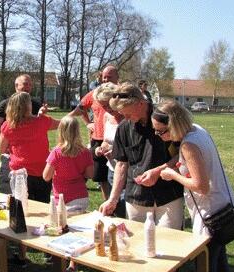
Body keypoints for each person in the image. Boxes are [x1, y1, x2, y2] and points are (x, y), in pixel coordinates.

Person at [153, 100, 234, 272]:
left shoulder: (188, 145)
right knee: (219, 264)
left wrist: (172, 175)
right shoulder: (198, 130)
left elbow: (201, 186)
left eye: (161, 131)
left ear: (174, 125)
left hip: (211, 215)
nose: (159, 136)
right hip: (223, 206)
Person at [99, 82, 184, 231]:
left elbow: (183, 154)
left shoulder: (165, 118)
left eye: (128, 113)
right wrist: (112, 199)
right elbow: (121, 164)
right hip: (136, 197)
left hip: (169, 196)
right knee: (137, 241)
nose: (125, 117)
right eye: (122, 113)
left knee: (169, 241)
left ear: (140, 103)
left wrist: (158, 171)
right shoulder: (124, 127)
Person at [43, 116, 94, 272]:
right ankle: (73, 263)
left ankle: (58, 257)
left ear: (61, 132)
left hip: (61, 198)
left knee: (61, 227)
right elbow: (90, 174)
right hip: (80, 195)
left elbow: (46, 176)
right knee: (76, 230)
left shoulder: (56, 153)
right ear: (77, 131)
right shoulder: (85, 152)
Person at [69, 65, 120, 201]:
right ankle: (107, 202)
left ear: (117, 77)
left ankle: (117, 202)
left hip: (117, 138)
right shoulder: (95, 93)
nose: (106, 80)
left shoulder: (122, 94)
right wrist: (87, 123)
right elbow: (81, 108)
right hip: (99, 140)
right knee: (101, 176)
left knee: (118, 173)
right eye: (104, 77)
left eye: (109, 77)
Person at [0, 92, 60, 204]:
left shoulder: (8, 126)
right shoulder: (42, 121)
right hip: (42, 172)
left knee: (21, 206)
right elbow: (62, 124)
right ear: (28, 106)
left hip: (19, 173)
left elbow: (2, 149)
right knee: (42, 205)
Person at [0, 74, 43, 194]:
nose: (28, 87)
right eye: (25, 84)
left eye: (30, 84)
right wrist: (4, 142)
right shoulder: (5, 103)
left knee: (31, 192)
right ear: (16, 86)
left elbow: (39, 126)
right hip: (10, 156)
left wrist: (41, 116)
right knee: (7, 190)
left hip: (30, 158)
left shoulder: (36, 104)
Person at [92, 82, 126, 217]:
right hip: (112, 169)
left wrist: (116, 150)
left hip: (126, 171)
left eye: (108, 105)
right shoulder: (107, 116)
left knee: (124, 210)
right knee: (114, 210)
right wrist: (101, 148)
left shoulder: (127, 117)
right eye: (103, 106)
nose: (106, 109)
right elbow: (106, 140)